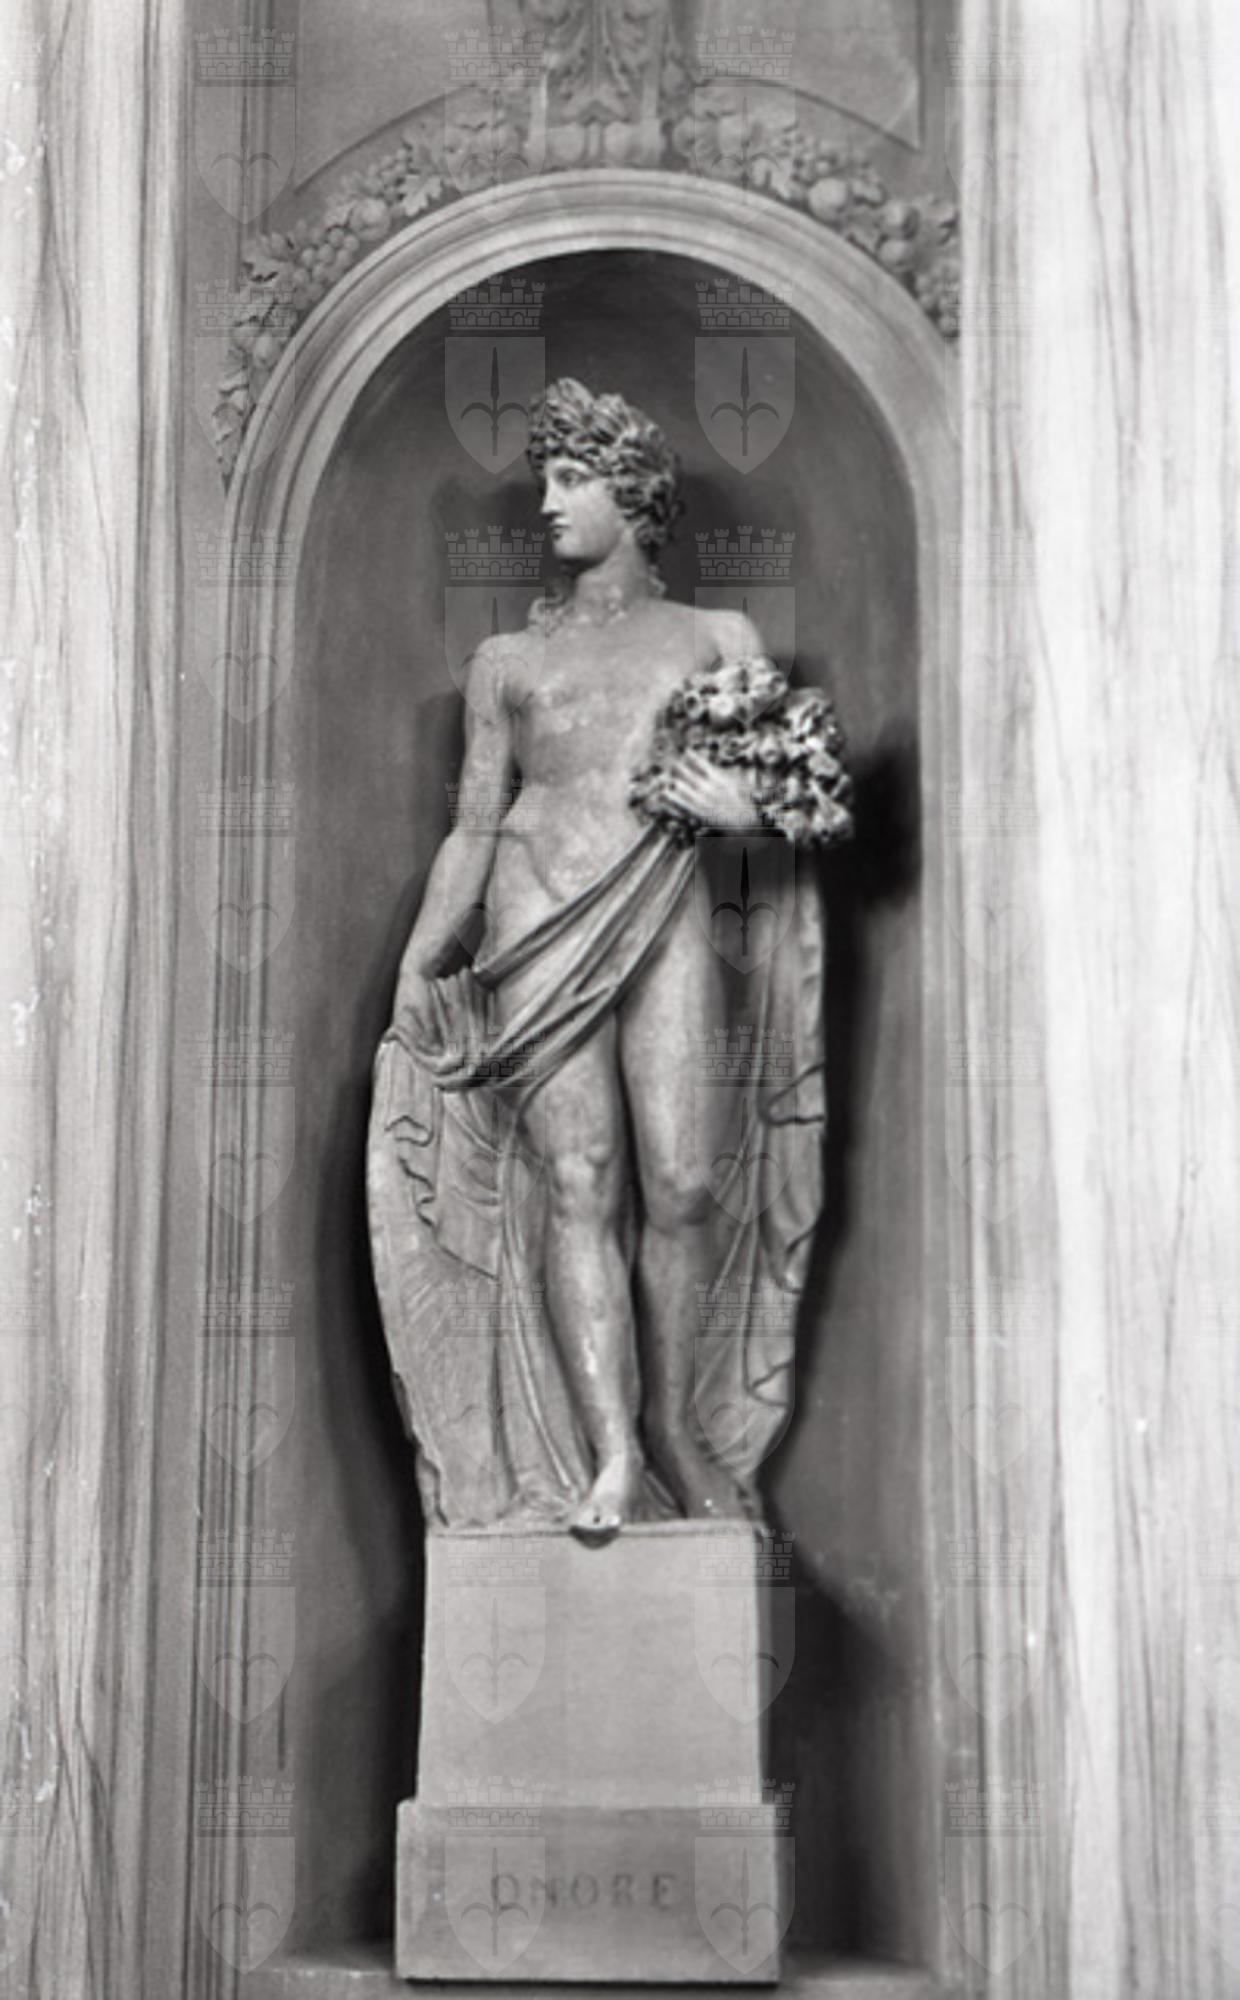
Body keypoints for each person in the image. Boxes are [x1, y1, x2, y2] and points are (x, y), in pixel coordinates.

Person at [368, 378, 836, 1540]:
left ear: (631, 493)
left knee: (680, 1181)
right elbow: (475, 827)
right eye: (544, 477)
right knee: (580, 1180)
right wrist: (421, 961)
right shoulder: (506, 661)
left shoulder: (714, 638)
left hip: (661, 912)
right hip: (534, 918)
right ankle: (616, 1452)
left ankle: (675, 1424)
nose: (546, 501)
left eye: (569, 478)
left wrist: (743, 810)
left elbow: (803, 796)